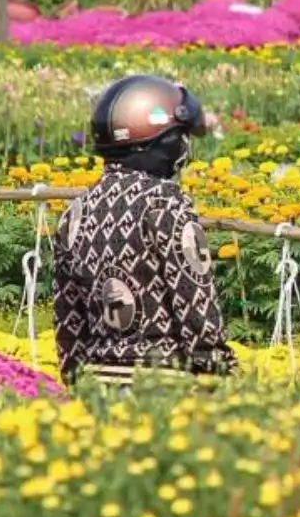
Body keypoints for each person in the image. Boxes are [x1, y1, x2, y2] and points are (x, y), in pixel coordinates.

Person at [53, 74, 237, 390]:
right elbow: (194, 301)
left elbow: (67, 316)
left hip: (97, 384)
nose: (185, 148)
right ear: (162, 141)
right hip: (164, 383)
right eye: (181, 138)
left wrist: (76, 384)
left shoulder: (76, 211)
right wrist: (219, 371)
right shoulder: (164, 203)